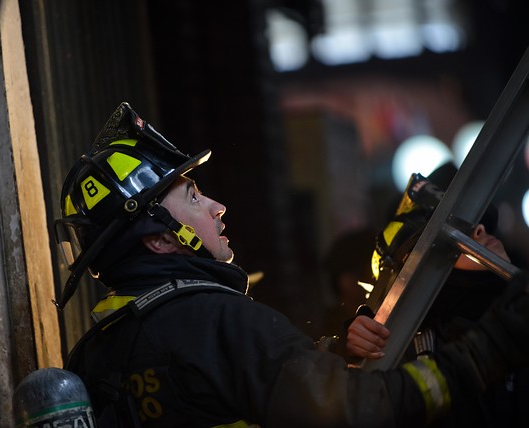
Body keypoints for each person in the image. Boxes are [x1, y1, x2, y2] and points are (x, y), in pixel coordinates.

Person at [55, 102, 529, 427]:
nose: (217, 206)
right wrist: (485, 352)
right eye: (194, 197)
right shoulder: (219, 323)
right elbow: (355, 413)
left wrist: (337, 354)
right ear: (159, 239)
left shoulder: (91, 357)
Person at [344, 165, 529, 427]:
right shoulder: (412, 351)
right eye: (456, 232)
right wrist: (353, 356)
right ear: (417, 272)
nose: (480, 230)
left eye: (479, 222)